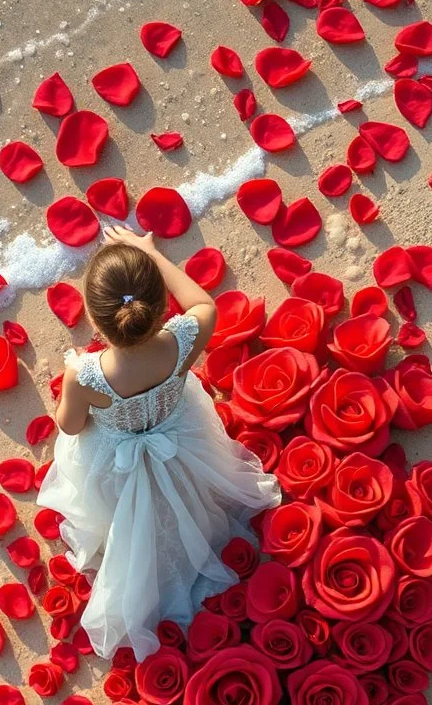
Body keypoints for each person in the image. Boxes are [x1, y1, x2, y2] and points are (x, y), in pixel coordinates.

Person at [37, 224, 281, 660]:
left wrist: (73, 399)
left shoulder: (86, 375)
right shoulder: (183, 339)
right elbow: (203, 302)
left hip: (118, 462)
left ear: (95, 320)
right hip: (182, 442)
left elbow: (71, 426)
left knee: (116, 503)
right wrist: (149, 252)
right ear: (157, 307)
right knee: (187, 496)